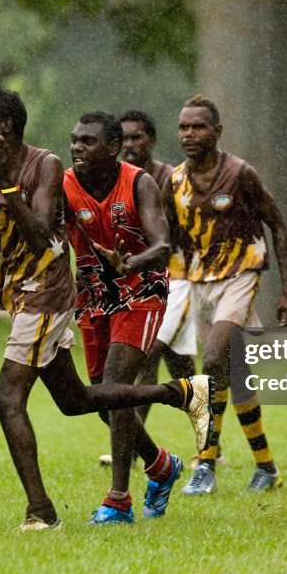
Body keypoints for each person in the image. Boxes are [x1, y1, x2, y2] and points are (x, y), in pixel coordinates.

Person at [0, 88, 211, 531]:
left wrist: (8, 187)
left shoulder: (46, 166)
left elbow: (41, 236)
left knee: (8, 399)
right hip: (60, 296)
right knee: (77, 400)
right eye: (74, 140)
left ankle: (50, 510)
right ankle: (177, 403)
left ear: (4, 129)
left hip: (52, 292)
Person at [64, 109, 204, 524]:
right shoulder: (65, 184)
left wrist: (130, 263)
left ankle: (118, 500)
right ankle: (161, 466)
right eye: (74, 139)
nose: (77, 147)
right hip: (92, 294)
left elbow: (162, 246)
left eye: (87, 141)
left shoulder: (139, 182)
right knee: (104, 402)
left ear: (112, 148)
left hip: (141, 290)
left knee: (115, 386)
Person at [165, 94, 287, 495]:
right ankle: (266, 466)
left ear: (217, 132)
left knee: (214, 357)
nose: (189, 134)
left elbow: (277, 225)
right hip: (197, 280)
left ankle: (205, 461)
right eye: (184, 126)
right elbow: (167, 238)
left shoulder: (240, 174)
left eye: (198, 126)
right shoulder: (173, 181)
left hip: (241, 274)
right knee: (235, 375)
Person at [117, 111, 199, 451]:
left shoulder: (171, 178)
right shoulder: (118, 180)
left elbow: (183, 231)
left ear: (151, 139)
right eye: (124, 139)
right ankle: (210, 447)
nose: (130, 145)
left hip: (177, 279)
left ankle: (135, 447)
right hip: (138, 280)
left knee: (145, 355)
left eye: (137, 137)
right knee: (182, 370)